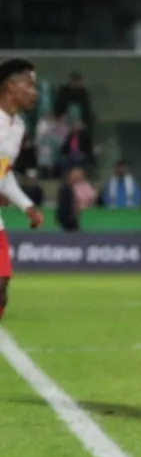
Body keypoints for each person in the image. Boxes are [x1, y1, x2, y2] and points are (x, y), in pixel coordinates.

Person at [0, 58, 45, 321]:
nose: (35, 92)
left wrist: (26, 205)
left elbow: (3, 173)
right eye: (29, 85)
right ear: (11, 86)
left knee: (2, 288)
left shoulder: (18, 128)